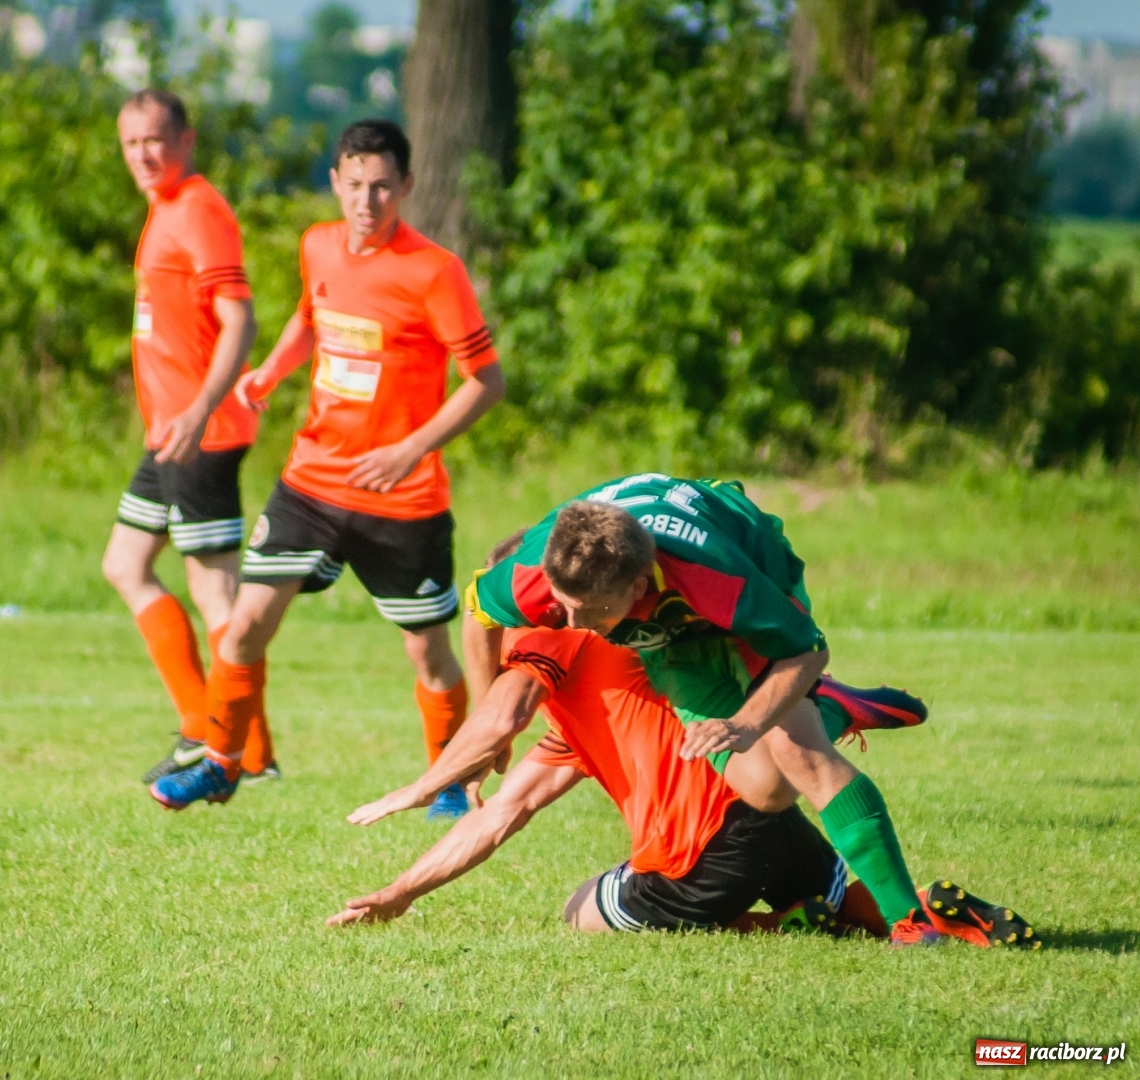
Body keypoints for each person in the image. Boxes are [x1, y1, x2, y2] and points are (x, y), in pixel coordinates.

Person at [459, 476, 1033, 944]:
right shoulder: (540, 572)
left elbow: (807, 649)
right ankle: (832, 707)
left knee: (797, 752)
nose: (577, 627)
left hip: (755, 584)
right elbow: (477, 613)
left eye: (591, 612)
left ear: (638, 585)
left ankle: (911, 923)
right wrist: (487, 721)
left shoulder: (723, 581)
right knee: (764, 788)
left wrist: (749, 722)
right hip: (671, 619)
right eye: (565, 608)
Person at [148, 119, 506, 815]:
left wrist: (410, 449)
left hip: (403, 500)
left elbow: (486, 381)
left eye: (381, 187)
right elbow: (313, 316)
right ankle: (224, 763)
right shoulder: (316, 244)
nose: (366, 201)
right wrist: (273, 371)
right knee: (248, 622)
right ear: (336, 184)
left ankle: (451, 785)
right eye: (353, 185)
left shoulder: (435, 271)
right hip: (311, 482)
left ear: (405, 186)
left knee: (428, 655)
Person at [332, 604, 1037, 949]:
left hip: (701, 857)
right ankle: (905, 909)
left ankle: (765, 927)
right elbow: (502, 809)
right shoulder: (621, 671)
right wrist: (401, 891)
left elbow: (501, 742)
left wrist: (424, 791)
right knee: (838, 902)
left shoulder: (547, 634)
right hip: (767, 811)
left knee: (581, 908)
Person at [104, 89, 276, 786]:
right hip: (168, 433)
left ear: (186, 141)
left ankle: (247, 751)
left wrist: (203, 406)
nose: (143, 155)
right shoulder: (163, 209)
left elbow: (241, 319)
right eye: (130, 143)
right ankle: (202, 725)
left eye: (154, 140)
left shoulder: (199, 209)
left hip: (201, 431)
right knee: (125, 564)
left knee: (216, 592)